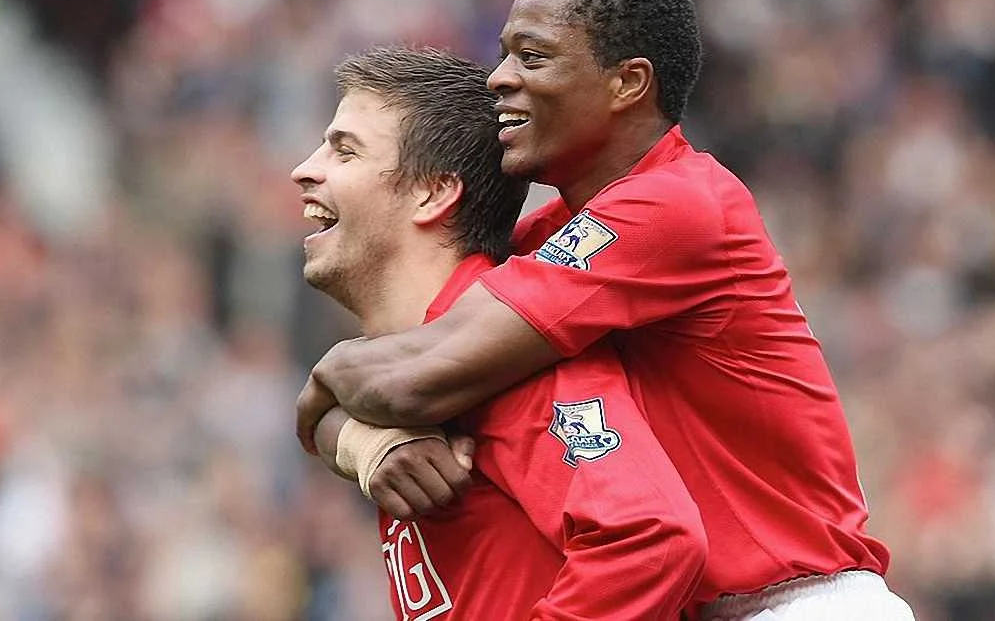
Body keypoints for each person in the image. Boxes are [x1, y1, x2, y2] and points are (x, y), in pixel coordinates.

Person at [296, 0, 916, 621]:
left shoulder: (678, 203)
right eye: (504, 56)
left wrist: (332, 374)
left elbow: (414, 376)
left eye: (533, 57)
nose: (500, 77)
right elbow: (382, 387)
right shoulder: (550, 236)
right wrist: (366, 443)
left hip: (799, 603)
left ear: (627, 82)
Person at [293, 45, 707, 620]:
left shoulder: (509, 362)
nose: (305, 169)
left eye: (345, 151)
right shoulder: (415, 369)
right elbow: (317, 420)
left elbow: (651, 539)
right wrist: (365, 445)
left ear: (433, 193)